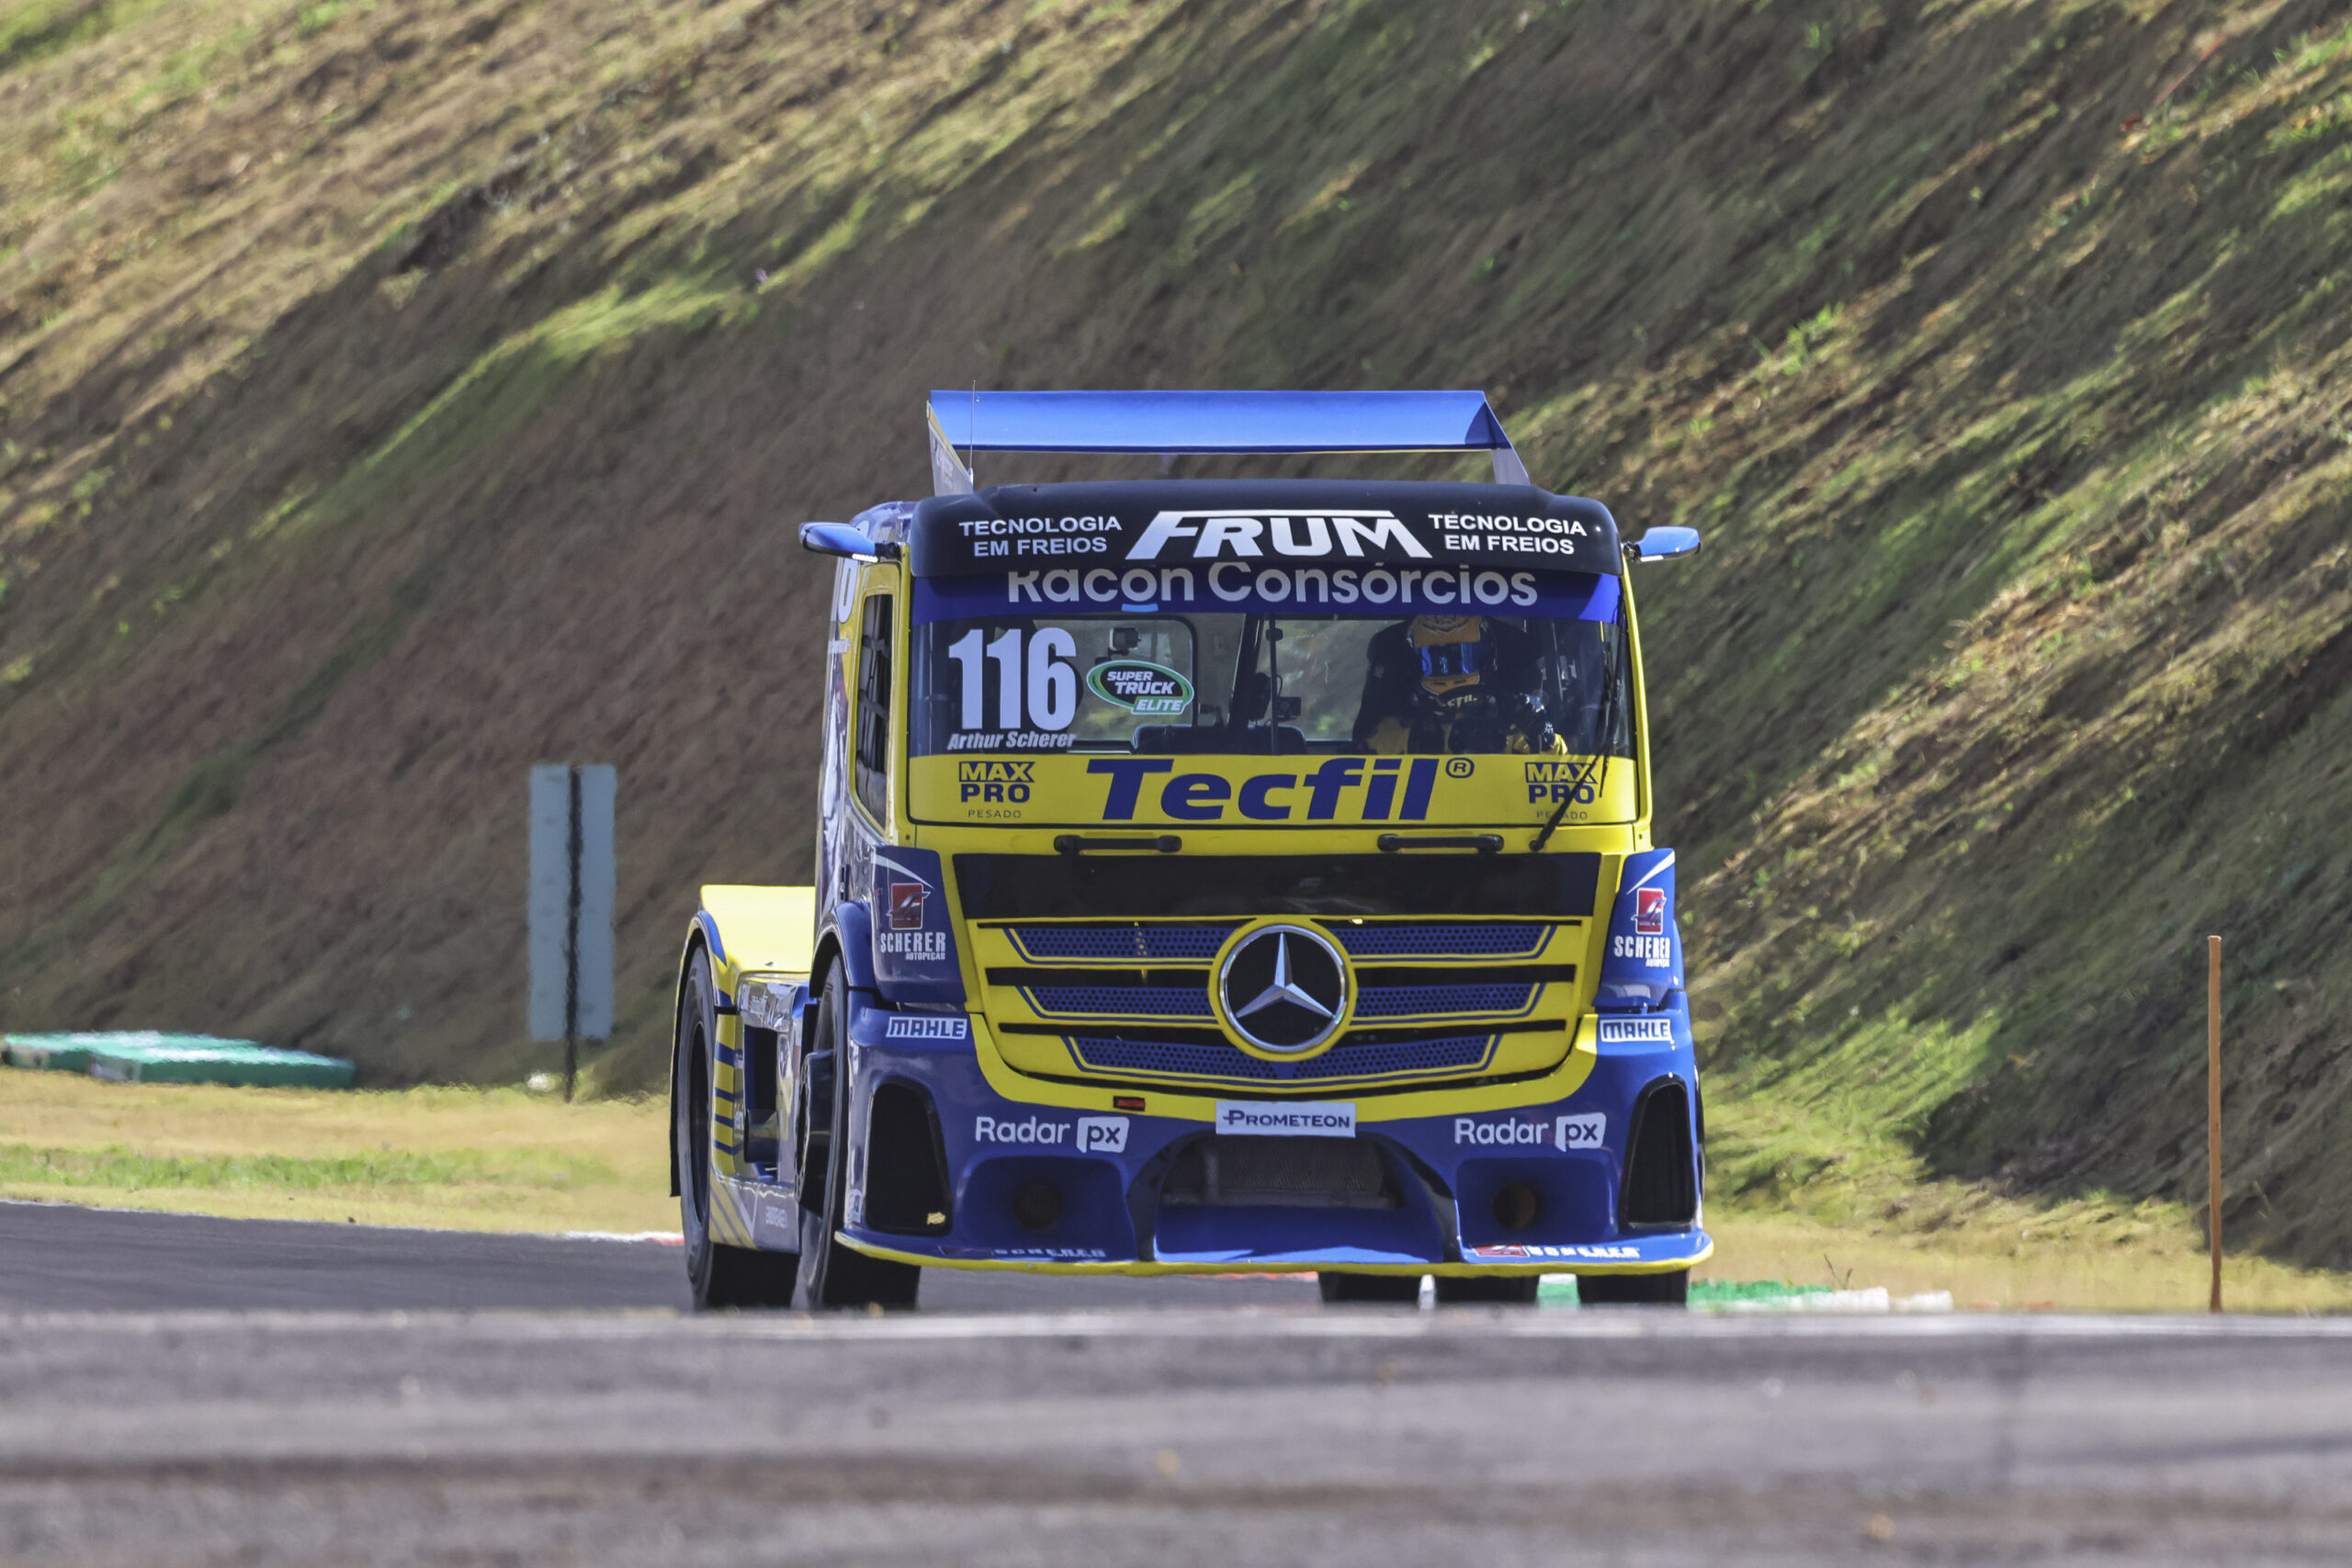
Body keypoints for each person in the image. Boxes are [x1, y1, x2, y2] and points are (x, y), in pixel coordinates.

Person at [1351, 614, 1564, 754]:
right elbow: (1367, 759)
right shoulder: (1400, 732)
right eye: (1436, 660)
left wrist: (1543, 734)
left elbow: (1566, 771)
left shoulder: (1514, 727)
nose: (1451, 671)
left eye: (1464, 657)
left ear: (1487, 657)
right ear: (1415, 664)